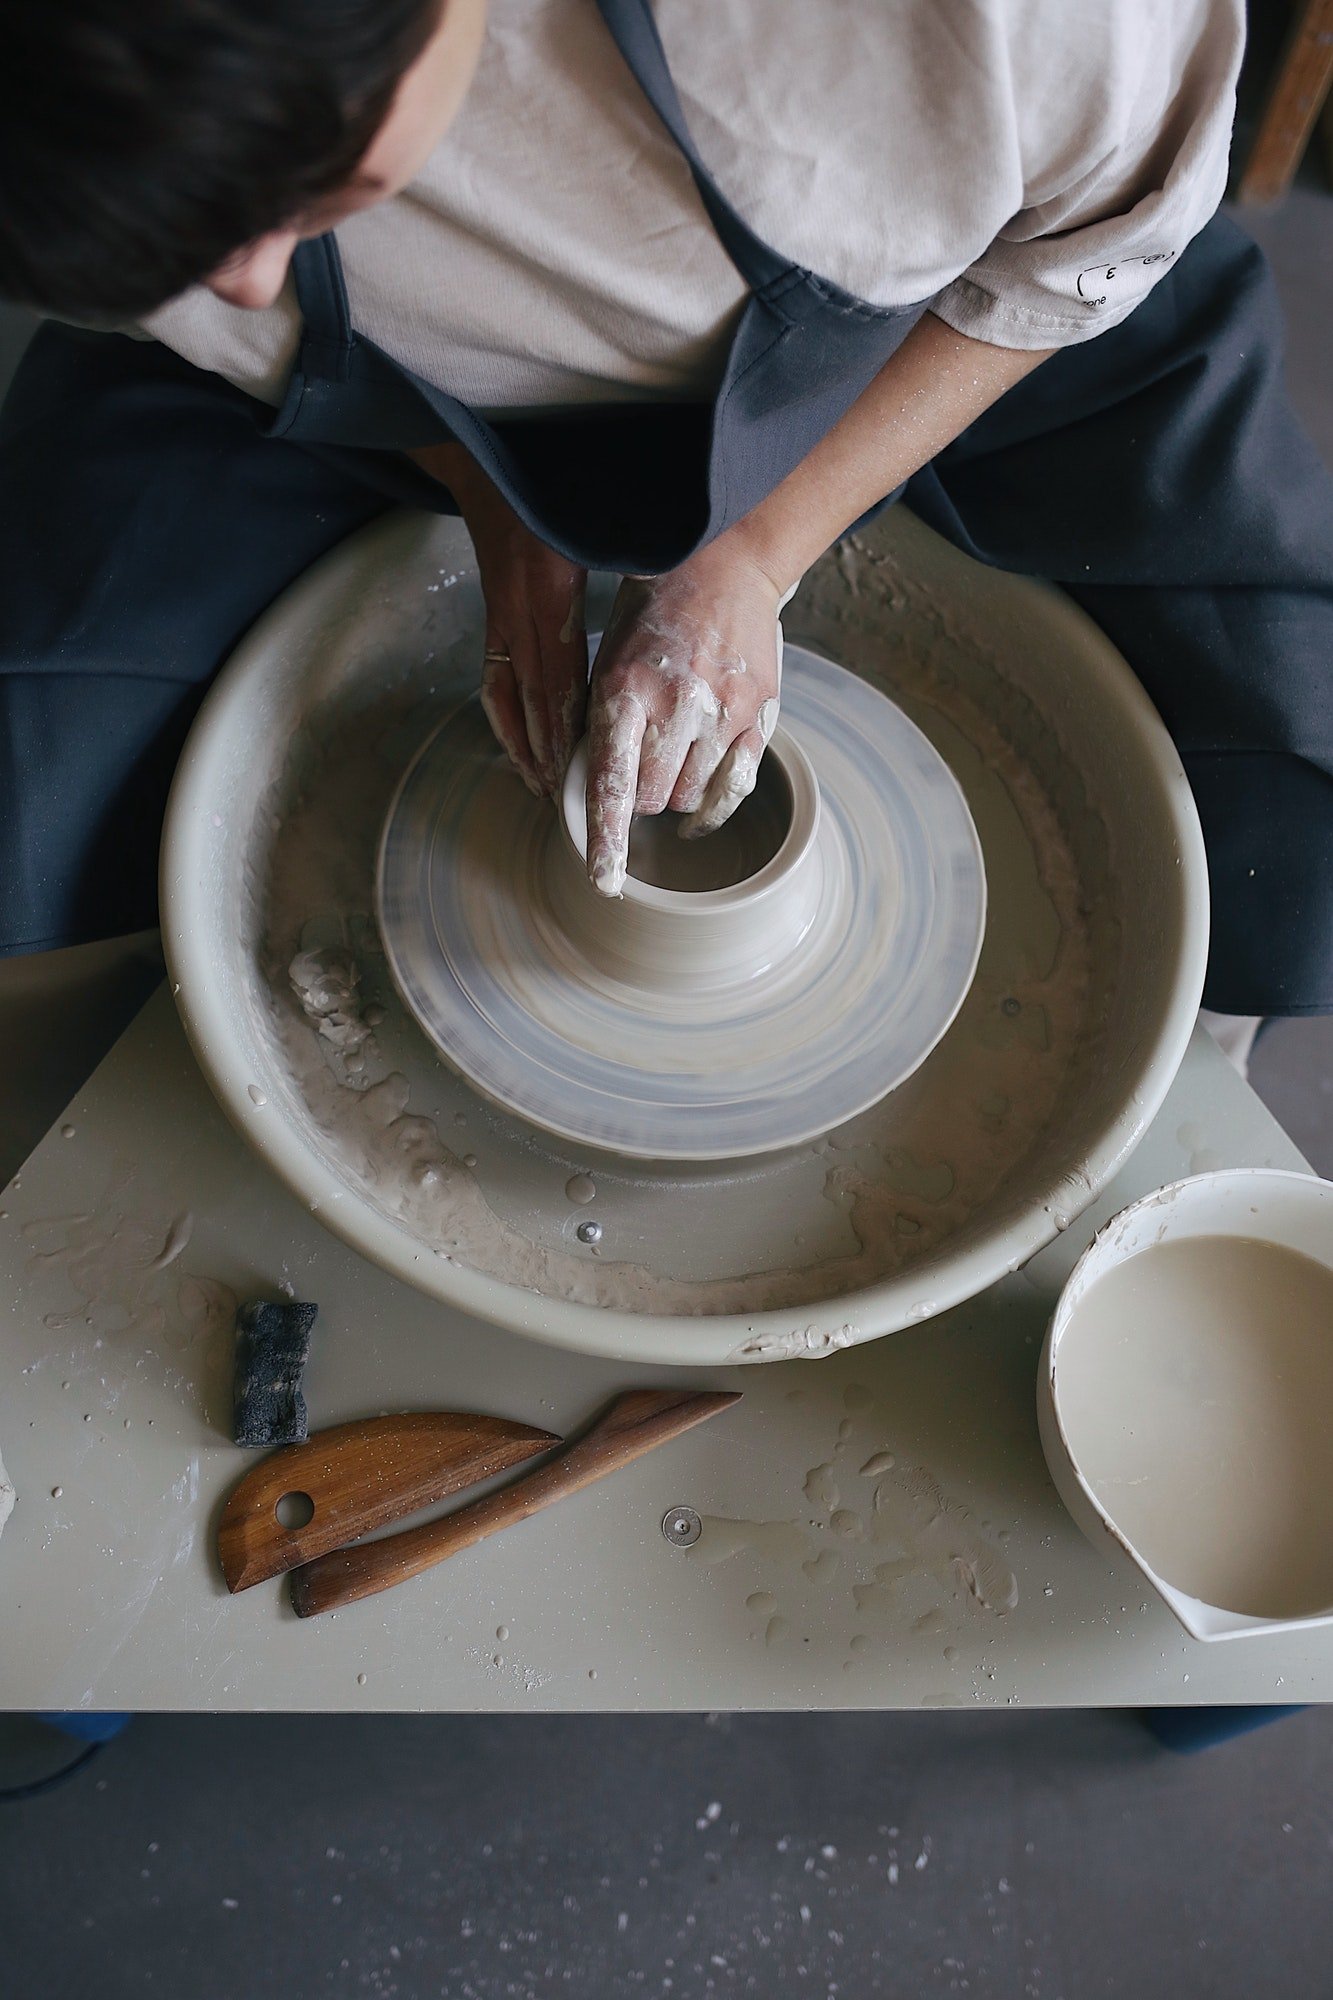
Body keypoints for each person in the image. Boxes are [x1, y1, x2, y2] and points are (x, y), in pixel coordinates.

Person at [0, 0, 1329, 1022]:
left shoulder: (994, 28)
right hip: (395, 395)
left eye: (309, 184)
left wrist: (754, 551)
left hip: (941, 333)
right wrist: (490, 498)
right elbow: (238, 305)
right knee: (29, 797)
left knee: (1292, 809)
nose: (236, 283)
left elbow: (1081, 255)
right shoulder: (133, 169)